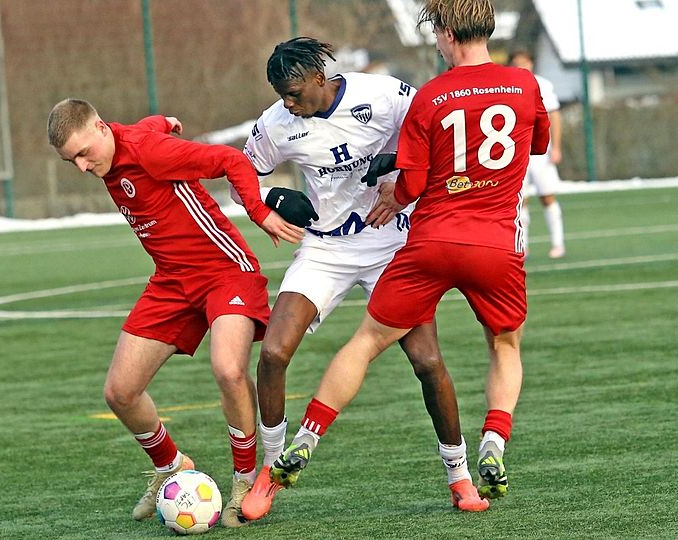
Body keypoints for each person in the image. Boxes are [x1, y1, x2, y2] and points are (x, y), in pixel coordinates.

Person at [270, 0, 550, 508]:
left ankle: (306, 438)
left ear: (445, 33)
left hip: (431, 241)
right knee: (505, 347)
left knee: (365, 342)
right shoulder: (526, 86)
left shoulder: (432, 95)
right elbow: (535, 145)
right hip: (495, 246)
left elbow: (415, 183)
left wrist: (393, 194)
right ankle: (493, 441)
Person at [236, 36, 487, 519]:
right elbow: (242, 170)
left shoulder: (384, 96)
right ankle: (271, 469)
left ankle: (458, 474)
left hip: (393, 245)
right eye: (280, 95)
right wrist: (268, 202)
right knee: (271, 352)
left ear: (318, 77)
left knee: (428, 362)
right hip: (326, 247)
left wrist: (401, 167)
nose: (288, 103)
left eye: (293, 92)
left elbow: (439, 134)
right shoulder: (278, 122)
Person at [46, 98, 304, 528]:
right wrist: (163, 120)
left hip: (225, 273)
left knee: (228, 370)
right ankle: (172, 466)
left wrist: (258, 212)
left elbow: (228, 160)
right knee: (120, 391)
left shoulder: (151, 152)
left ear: (99, 127)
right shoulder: (120, 144)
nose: (82, 167)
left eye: (83, 153)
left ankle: (243, 480)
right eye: (70, 160)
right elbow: (141, 127)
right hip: (171, 282)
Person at [509, 49, 566, 259]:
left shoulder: (542, 84)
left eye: (524, 63)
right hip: (517, 153)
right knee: (520, 199)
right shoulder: (508, 86)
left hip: (541, 152)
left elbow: (554, 117)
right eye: (517, 63)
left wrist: (556, 147)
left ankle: (558, 243)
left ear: (531, 63)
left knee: (547, 196)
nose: (520, 67)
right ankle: (522, 245)